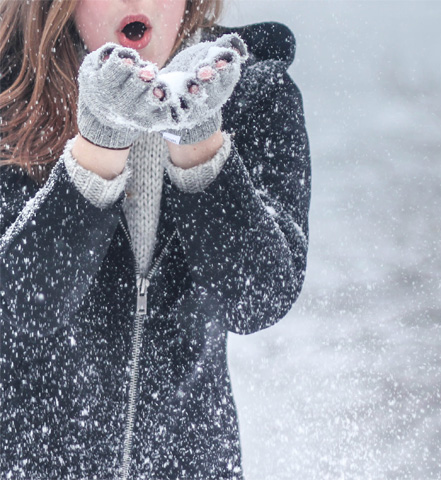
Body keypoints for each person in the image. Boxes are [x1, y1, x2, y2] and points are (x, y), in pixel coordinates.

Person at [0, 0, 311, 478]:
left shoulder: (252, 95)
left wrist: (200, 144)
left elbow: (258, 299)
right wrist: (98, 146)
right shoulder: (9, 97)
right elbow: (16, 307)